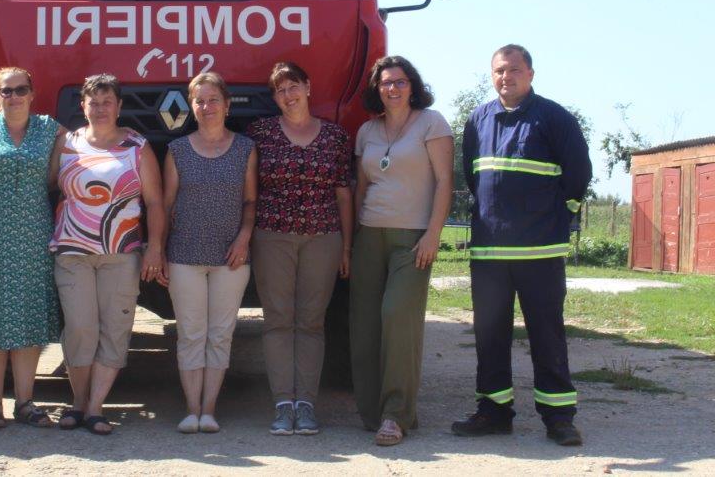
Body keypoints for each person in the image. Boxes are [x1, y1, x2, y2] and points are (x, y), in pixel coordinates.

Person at [451, 44, 591, 447]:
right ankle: (494, 411)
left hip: (539, 252)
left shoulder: (553, 117)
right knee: (489, 335)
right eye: (498, 70)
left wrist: (557, 215)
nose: (505, 77)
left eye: (513, 70)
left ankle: (559, 418)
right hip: (490, 253)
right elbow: (473, 174)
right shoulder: (478, 119)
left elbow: (578, 173)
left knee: (546, 334)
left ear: (530, 74)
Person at [49, 74, 165, 435]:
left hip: (122, 253)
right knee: (81, 329)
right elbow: (51, 187)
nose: (100, 108)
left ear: (118, 106)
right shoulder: (66, 144)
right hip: (73, 251)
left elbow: (155, 201)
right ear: (83, 106)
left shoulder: (137, 146)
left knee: (114, 329)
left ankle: (96, 407)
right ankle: (78, 402)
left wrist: (155, 248)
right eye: (93, 102)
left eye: (107, 101)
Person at [351, 56, 453, 446]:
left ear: (413, 86)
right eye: (385, 83)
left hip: (413, 238)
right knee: (365, 325)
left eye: (400, 82)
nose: (392, 88)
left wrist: (433, 235)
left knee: (398, 319)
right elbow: (361, 188)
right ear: (377, 89)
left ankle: (397, 414)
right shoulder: (366, 131)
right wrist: (351, 240)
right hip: (369, 235)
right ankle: (371, 413)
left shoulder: (432, 123)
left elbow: (445, 182)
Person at [246, 61, 352, 436]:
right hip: (272, 236)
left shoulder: (336, 136)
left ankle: (306, 404)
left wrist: (346, 246)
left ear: (308, 86)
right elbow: (249, 191)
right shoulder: (260, 133)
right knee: (277, 321)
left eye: (292, 86)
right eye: (279, 90)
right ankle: (282, 405)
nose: (287, 96)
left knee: (310, 323)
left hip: (324, 237)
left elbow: (343, 193)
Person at [0, 67, 64, 428]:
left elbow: (83, 148)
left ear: (32, 94)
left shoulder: (50, 129)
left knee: (29, 316)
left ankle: (25, 402)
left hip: (34, 235)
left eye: (21, 90)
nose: (14, 96)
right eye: (6, 91)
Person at [162, 72, 256, 434]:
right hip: (185, 255)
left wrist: (244, 236)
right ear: (192, 106)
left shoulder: (245, 148)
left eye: (213, 99)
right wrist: (160, 251)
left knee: (220, 334)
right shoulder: (177, 150)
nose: (207, 106)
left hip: (231, 258)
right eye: (199, 100)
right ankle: (191, 410)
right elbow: (166, 205)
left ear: (227, 105)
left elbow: (250, 201)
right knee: (190, 333)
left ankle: (209, 410)